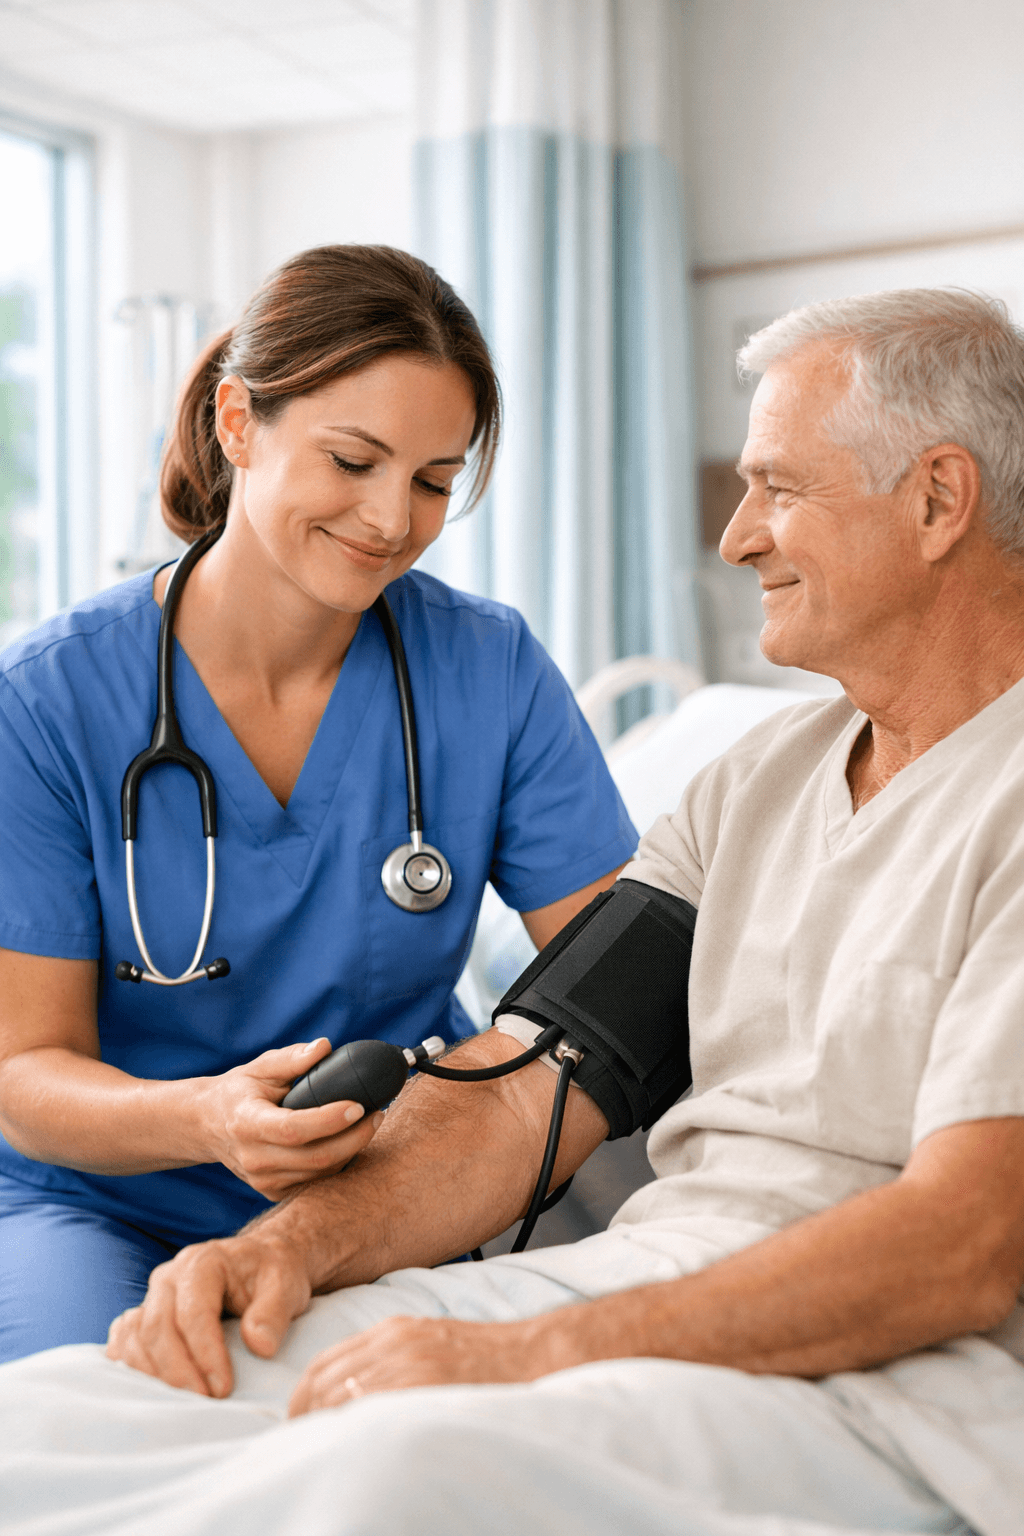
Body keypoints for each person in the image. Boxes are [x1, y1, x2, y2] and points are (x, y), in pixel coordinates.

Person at [3, 285, 1024, 1536]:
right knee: (63, 1420)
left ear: (936, 498)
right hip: (633, 1271)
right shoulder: (751, 787)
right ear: (237, 425)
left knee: (385, 1475)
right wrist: (295, 1247)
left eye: (780, 488)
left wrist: (529, 1353)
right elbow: (541, 1077)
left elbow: (966, 1243)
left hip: (884, 1357)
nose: (735, 537)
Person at [0, 245, 637, 1365]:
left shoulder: (487, 671)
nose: (393, 519)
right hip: (98, 1201)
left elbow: (605, 989)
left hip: (372, 1198)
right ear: (238, 424)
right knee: (91, 1409)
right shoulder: (47, 702)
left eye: (435, 481)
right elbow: (25, 1076)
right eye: (353, 460)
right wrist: (205, 1118)